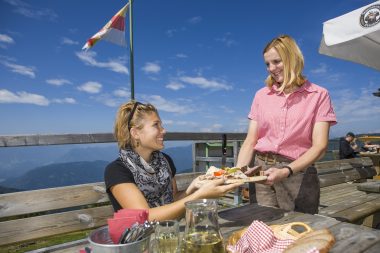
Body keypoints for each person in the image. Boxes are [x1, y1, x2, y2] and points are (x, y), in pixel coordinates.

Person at [236, 35, 337, 214]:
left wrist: (286, 171)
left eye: (276, 62)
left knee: (298, 228)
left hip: (297, 173)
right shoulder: (261, 95)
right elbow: (251, 140)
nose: (271, 69)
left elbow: (320, 146)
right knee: (262, 225)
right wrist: (237, 173)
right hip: (261, 171)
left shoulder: (319, 95)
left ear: (292, 59)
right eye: (267, 64)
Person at [104, 101, 242, 221]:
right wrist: (200, 195)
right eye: (156, 125)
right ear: (135, 133)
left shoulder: (165, 161)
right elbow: (145, 217)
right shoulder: (117, 171)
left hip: (170, 232)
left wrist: (193, 188)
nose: (163, 130)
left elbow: (173, 200)